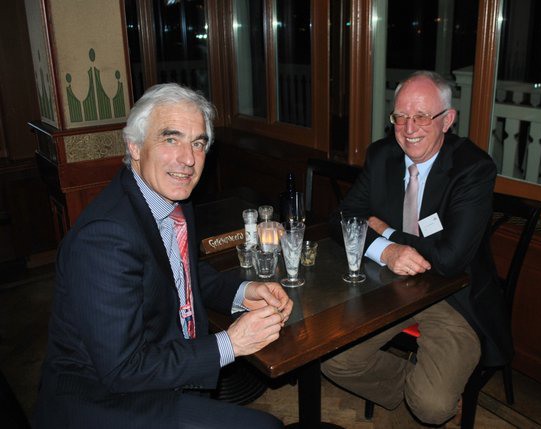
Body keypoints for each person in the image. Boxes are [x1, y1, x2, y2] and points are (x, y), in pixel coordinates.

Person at [33, 83, 292, 429]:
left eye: (198, 143)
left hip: (157, 373)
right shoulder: (104, 237)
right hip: (102, 400)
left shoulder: (172, 198)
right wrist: (231, 343)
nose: (188, 159)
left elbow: (181, 273)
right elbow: (122, 369)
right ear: (134, 146)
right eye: (171, 139)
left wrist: (243, 291)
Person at [321, 71, 512, 425]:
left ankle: (426, 395)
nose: (409, 128)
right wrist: (385, 252)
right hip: (388, 288)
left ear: (447, 120)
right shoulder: (382, 155)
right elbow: (341, 217)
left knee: (433, 406)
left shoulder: (473, 168)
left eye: (422, 116)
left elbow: (449, 260)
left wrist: (387, 232)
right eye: (401, 116)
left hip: (453, 297)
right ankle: (415, 386)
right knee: (333, 360)